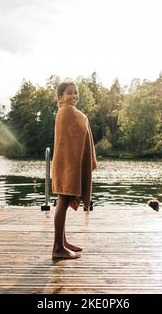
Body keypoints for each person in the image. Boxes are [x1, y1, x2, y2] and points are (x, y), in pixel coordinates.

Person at [52, 82, 97, 259]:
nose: (73, 96)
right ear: (60, 97)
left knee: (61, 201)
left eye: (75, 93)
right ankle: (58, 247)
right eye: (69, 93)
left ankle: (63, 242)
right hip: (67, 165)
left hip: (65, 164)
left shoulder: (64, 112)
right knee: (63, 202)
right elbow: (80, 125)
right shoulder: (67, 112)